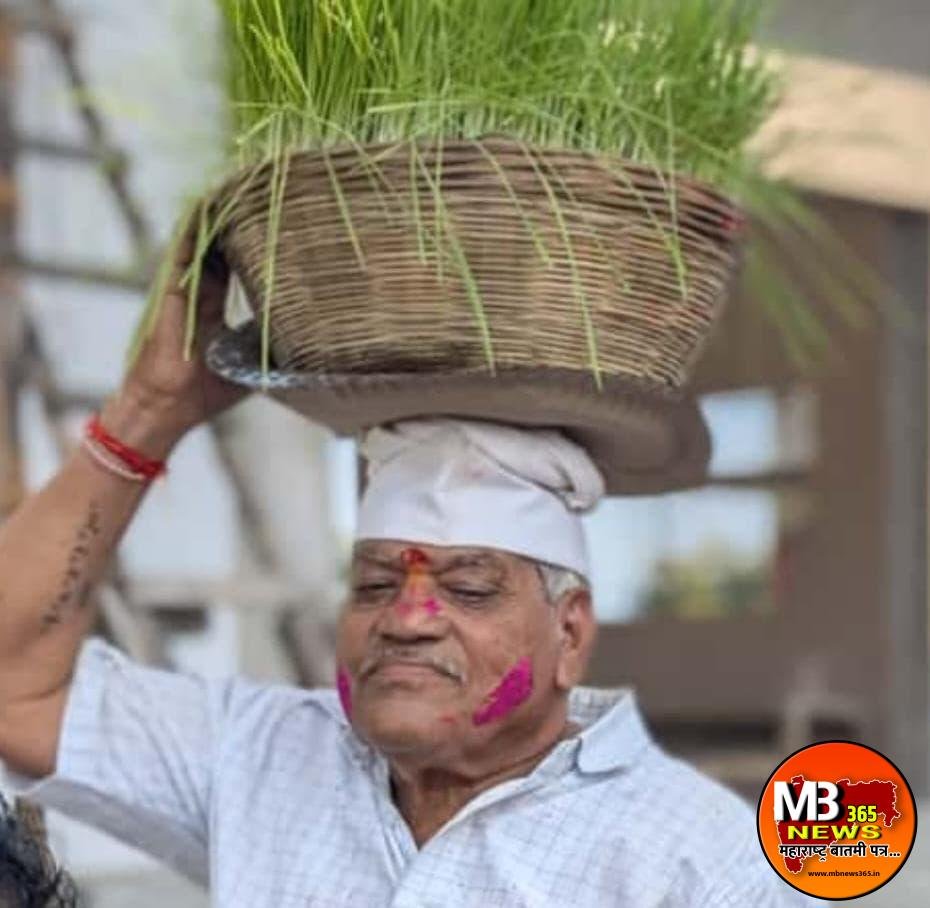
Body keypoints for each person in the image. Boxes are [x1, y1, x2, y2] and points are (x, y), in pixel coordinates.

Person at [0, 242, 817, 907]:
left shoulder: (703, 864)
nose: (408, 617)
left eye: (470, 588)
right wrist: (150, 409)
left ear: (569, 635)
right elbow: (12, 688)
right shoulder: (262, 755)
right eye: (374, 584)